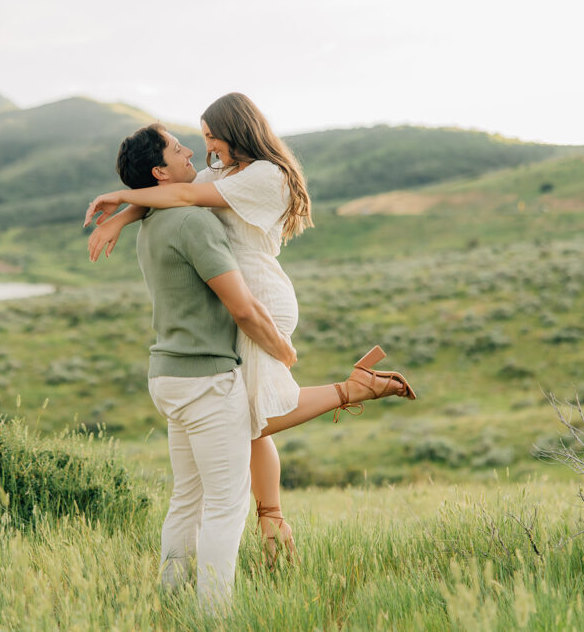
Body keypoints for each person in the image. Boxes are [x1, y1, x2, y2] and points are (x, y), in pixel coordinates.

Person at [85, 95, 416, 568]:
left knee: (251, 417)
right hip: (240, 299)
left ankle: (348, 394)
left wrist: (119, 198)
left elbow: (178, 194)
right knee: (249, 419)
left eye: (209, 136)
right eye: (197, 140)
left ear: (235, 130)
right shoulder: (221, 174)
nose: (204, 149)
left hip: (259, 299)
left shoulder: (265, 175)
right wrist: (122, 215)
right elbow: (168, 191)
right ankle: (273, 513)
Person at [114, 123, 297, 610]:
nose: (190, 150)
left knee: (187, 499)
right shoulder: (193, 222)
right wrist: (280, 346)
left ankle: (171, 600)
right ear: (160, 171)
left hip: (168, 376)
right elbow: (241, 307)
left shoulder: (152, 225)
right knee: (226, 505)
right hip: (206, 380)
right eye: (177, 148)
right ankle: (215, 614)